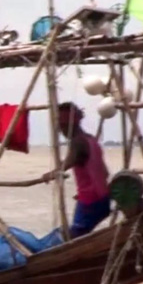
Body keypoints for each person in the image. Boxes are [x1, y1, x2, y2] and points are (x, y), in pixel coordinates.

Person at [41, 102, 112, 238]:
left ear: (69, 125)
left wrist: (50, 175)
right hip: (103, 198)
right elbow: (105, 173)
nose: (60, 131)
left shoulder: (77, 142)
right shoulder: (91, 140)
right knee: (79, 233)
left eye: (61, 126)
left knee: (75, 237)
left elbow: (68, 163)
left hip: (90, 201)